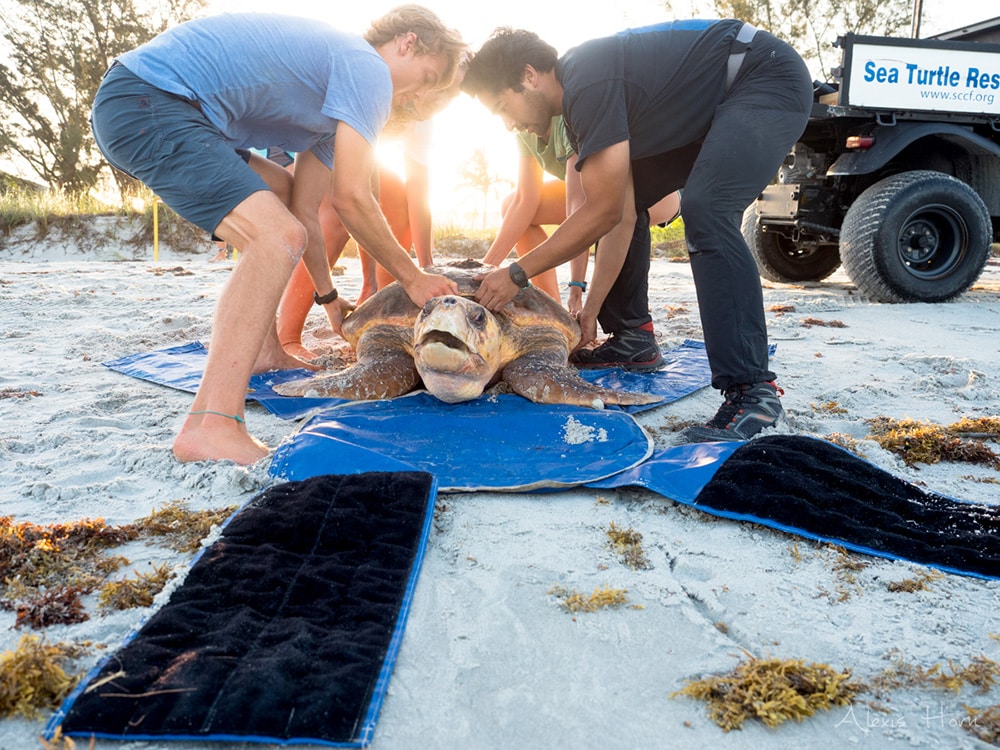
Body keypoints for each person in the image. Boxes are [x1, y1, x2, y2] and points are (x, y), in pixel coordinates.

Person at [91, 7, 466, 465]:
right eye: (428, 77)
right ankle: (211, 425)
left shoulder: (330, 115)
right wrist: (413, 277)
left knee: (284, 201)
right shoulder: (366, 66)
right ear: (407, 43)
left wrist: (329, 299)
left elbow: (306, 212)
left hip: (161, 109)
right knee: (275, 236)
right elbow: (352, 198)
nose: (421, 95)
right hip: (149, 100)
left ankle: (264, 352)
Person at [462, 22, 812, 442]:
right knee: (632, 195)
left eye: (503, 106)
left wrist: (517, 273)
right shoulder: (578, 107)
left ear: (528, 75)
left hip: (762, 76)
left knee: (707, 209)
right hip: (713, 107)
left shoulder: (587, 80)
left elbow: (602, 213)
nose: (507, 124)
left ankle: (753, 393)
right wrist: (591, 309)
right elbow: (618, 211)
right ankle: (634, 337)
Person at [277, 63, 467, 360]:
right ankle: (288, 335)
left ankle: (378, 301)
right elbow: (350, 196)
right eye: (439, 90)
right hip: (295, 149)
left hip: (348, 156)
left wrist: (424, 268)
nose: (440, 101)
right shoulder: (374, 90)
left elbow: (414, 195)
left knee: (399, 204)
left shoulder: (422, 120)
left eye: (451, 96)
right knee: (337, 212)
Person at [483, 113, 680, 312]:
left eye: (506, 108)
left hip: (654, 193)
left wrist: (576, 288)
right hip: (595, 193)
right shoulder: (523, 127)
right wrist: (484, 269)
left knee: (607, 224)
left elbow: (578, 207)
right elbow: (525, 200)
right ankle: (552, 309)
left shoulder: (566, 120)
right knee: (510, 205)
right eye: (501, 113)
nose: (509, 124)